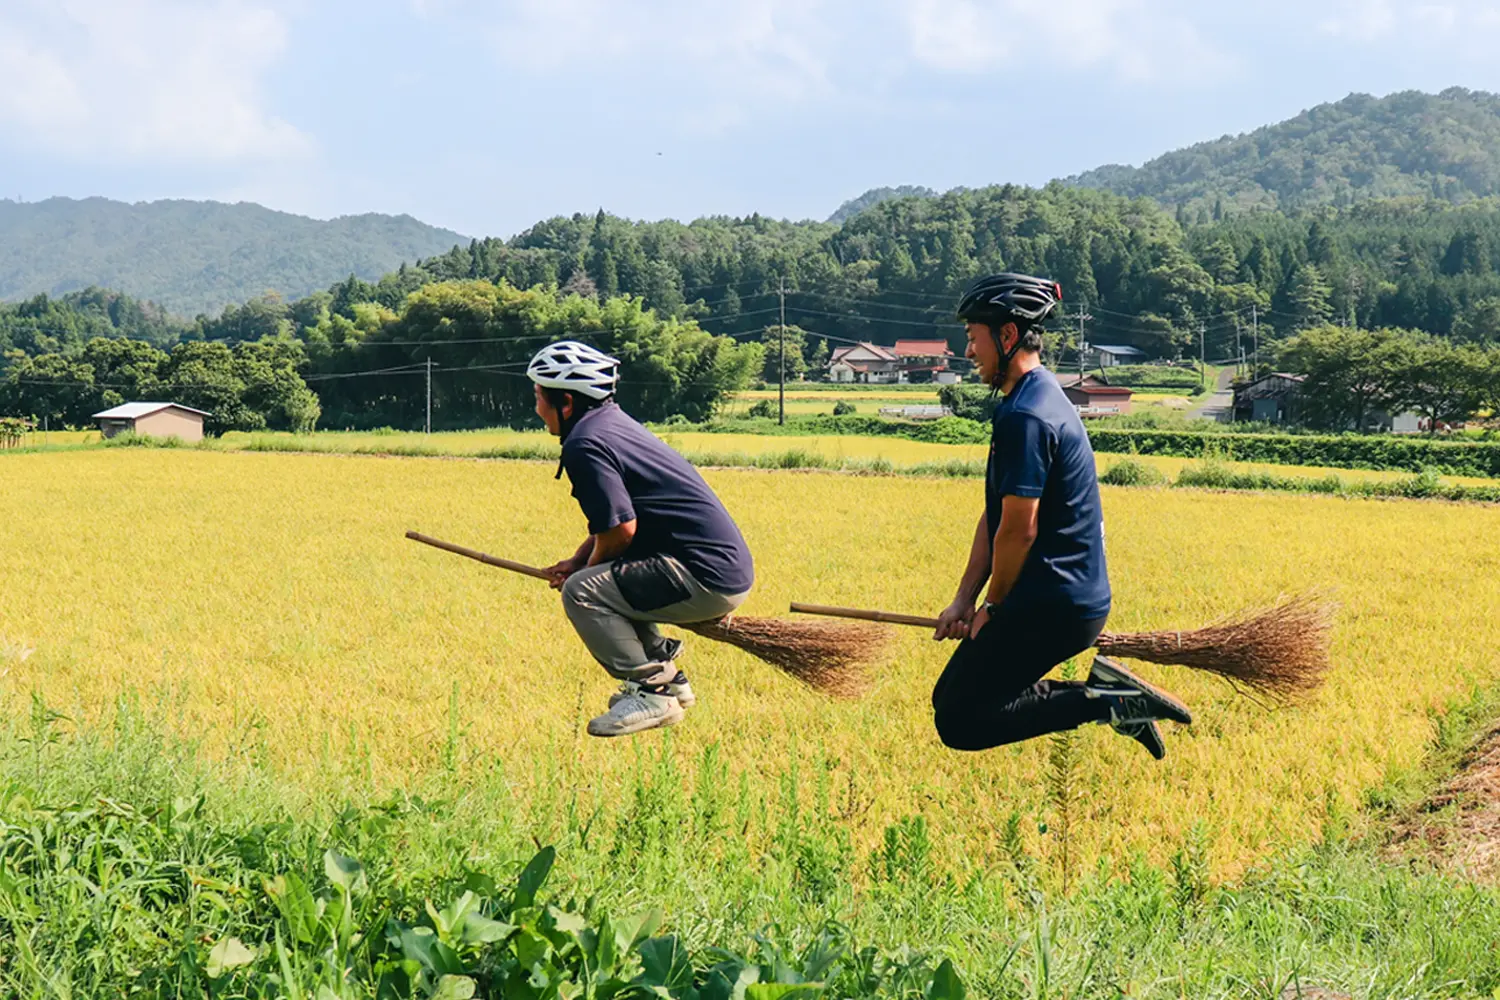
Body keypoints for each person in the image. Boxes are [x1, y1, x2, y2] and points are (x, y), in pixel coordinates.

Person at [930, 274, 1193, 759]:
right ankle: (1112, 696)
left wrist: (994, 610)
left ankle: (1108, 699)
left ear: (1007, 336)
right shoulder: (1039, 396)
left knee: (959, 717)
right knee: (958, 702)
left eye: (973, 337)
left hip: (1052, 604)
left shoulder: (1026, 417)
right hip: (1065, 600)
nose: (968, 352)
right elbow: (995, 519)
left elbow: (1018, 532)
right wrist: (962, 600)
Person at [528, 340, 755, 737]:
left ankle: (652, 693)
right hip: (718, 568)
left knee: (583, 593)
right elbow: (616, 522)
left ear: (565, 401)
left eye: (538, 397)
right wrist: (579, 561)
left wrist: (583, 575)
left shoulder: (585, 444)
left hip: (702, 577)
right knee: (598, 580)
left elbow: (620, 532)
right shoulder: (610, 425)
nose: (536, 409)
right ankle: (670, 679)